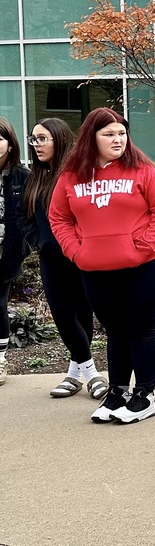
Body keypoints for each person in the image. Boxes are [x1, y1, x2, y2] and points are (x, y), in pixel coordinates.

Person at [49, 108, 155, 423]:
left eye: (121, 133)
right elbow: (59, 218)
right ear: (91, 138)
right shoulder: (71, 176)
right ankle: (117, 393)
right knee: (116, 332)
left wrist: (140, 248)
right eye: (109, 134)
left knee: (142, 329)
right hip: (95, 269)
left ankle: (145, 395)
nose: (118, 139)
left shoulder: (143, 170)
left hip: (146, 267)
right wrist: (76, 252)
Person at [22, 119, 107, 400]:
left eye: (42, 139)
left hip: (79, 256)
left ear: (59, 139)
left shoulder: (76, 175)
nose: (36, 145)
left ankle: (75, 374)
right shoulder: (34, 178)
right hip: (51, 260)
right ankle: (91, 375)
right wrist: (39, 241)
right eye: (33, 139)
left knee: (83, 314)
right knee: (63, 317)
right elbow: (24, 218)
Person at [0, 118, 30, 388]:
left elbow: (31, 216)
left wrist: (26, 246)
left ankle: (0, 360)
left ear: (10, 144)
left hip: (6, 255)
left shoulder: (22, 176)